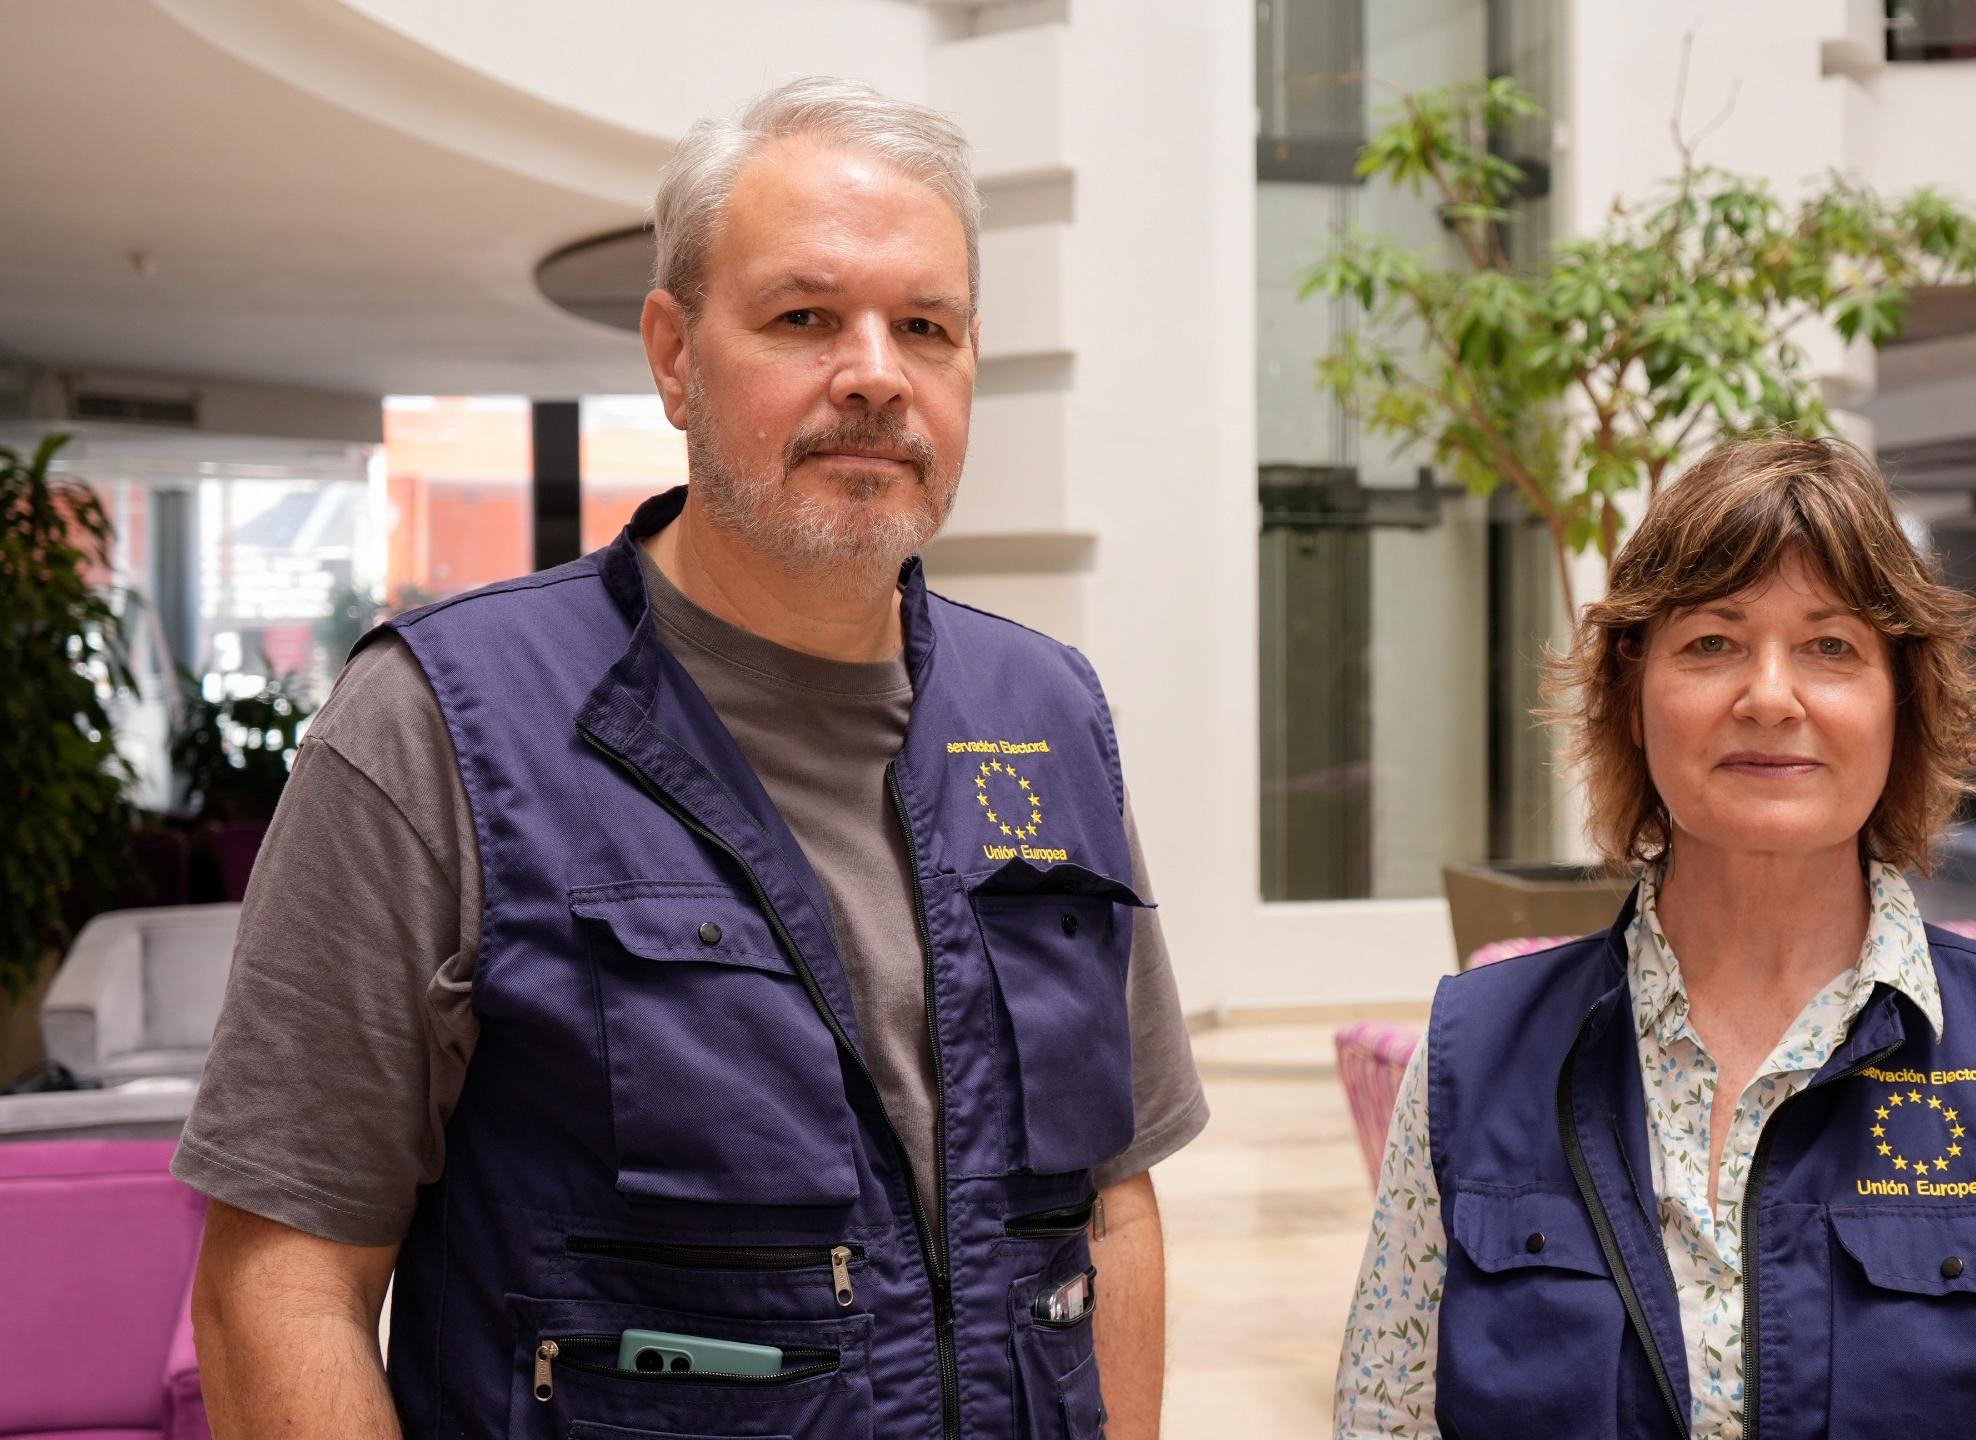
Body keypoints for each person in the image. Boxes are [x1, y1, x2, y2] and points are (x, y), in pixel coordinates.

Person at [177, 78, 1206, 1439]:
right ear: (673, 354)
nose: (876, 373)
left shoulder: (1050, 709)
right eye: (803, 317)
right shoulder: (441, 724)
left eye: (927, 327)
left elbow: (1110, 1216)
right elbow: (283, 1282)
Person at [1334, 437, 1976, 1439]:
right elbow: (1386, 1417)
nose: (1769, 696)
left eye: (1830, 646)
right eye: (1712, 642)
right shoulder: (1475, 1052)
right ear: (1633, 697)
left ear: (1903, 702)